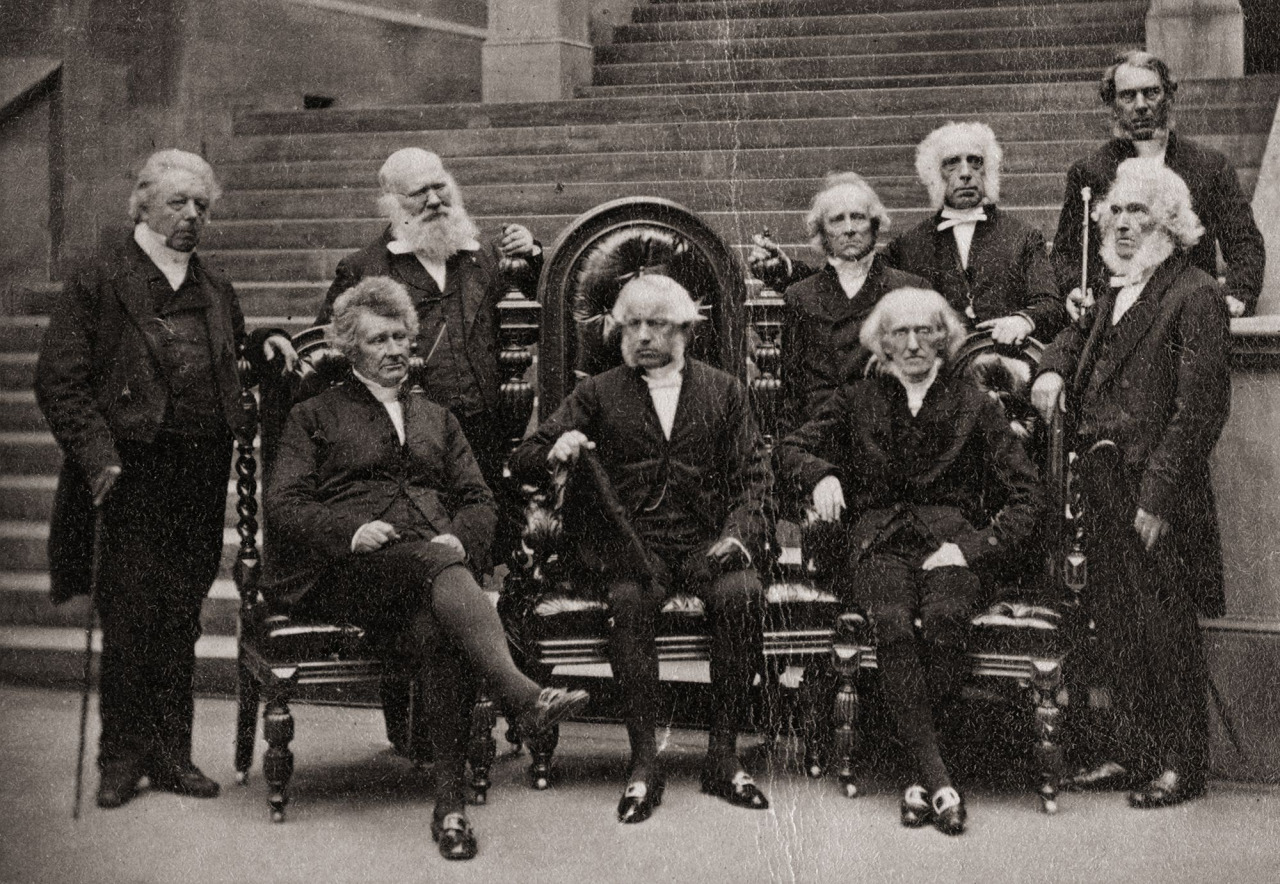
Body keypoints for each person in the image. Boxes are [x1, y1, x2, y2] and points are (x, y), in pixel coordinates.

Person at [264, 276, 587, 859]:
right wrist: (350, 531)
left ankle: (451, 810)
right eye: (378, 340)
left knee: (440, 635)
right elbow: (285, 503)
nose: (394, 350)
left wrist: (460, 538)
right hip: (345, 572)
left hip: (429, 575)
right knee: (435, 565)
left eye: (400, 338)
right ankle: (522, 696)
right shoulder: (313, 415)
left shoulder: (439, 417)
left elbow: (479, 499)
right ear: (349, 348)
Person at [35, 149, 294, 810]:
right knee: (128, 616)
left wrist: (262, 342)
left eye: (201, 205)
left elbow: (230, 353)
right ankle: (121, 757)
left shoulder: (215, 287)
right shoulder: (100, 279)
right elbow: (59, 379)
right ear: (143, 204)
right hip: (129, 474)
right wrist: (97, 455)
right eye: (179, 202)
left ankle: (172, 753)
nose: (191, 216)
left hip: (197, 474)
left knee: (181, 615)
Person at [776, 287, 1042, 835]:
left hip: (950, 545)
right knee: (892, 625)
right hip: (878, 544)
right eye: (901, 332)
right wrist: (822, 475)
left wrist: (971, 548)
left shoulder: (976, 404)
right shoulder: (856, 398)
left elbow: (1028, 495)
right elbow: (789, 448)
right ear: (883, 342)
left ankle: (919, 777)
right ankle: (938, 781)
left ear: (944, 338)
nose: (914, 343)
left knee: (945, 620)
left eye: (926, 331)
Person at [510, 275, 773, 824]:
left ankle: (723, 757)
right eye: (632, 325)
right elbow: (526, 456)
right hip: (631, 547)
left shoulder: (725, 391)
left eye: (656, 324)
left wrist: (736, 536)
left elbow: (754, 476)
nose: (644, 336)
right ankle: (644, 762)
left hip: (705, 542)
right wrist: (558, 447)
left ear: (685, 330)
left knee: (742, 595)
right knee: (629, 603)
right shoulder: (598, 392)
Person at [313, 146, 543, 753]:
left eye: (441, 186)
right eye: (420, 193)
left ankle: (475, 727)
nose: (437, 200)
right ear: (394, 203)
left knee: (473, 571)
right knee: (419, 583)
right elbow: (336, 353)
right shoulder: (364, 267)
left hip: (482, 445)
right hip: (406, 450)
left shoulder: (481, 257)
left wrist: (534, 255)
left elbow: (530, 307)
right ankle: (418, 732)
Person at [1032, 159, 1230, 809]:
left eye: (1136, 211)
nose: (1120, 223)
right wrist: (1052, 371)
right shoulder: (1114, 289)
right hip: (1102, 483)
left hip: (1153, 492)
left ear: (1168, 223)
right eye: (1113, 211)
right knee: (1115, 623)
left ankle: (1181, 764)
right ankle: (1133, 752)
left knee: (1164, 627)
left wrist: (1157, 498)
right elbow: (1072, 340)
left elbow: (1200, 410)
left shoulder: (1193, 292)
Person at [1051, 49, 1264, 320]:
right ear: (1113, 103)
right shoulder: (1090, 172)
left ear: (1168, 96)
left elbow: (1245, 242)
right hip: (1114, 318)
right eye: (1128, 96)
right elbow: (1065, 253)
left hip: (1188, 315)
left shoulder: (1209, 166)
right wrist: (1074, 288)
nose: (1141, 105)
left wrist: (1238, 293)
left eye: (1151, 92)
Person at [750, 173, 926, 432]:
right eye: (837, 220)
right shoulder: (801, 297)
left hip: (887, 437)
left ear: (874, 224)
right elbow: (792, 396)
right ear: (822, 232)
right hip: (820, 437)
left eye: (858, 217)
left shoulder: (909, 289)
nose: (849, 228)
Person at [883, 122, 1066, 345]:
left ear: (988, 170)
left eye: (975, 162)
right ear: (934, 173)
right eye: (952, 163)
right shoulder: (908, 244)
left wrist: (1022, 321)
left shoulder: (1023, 237)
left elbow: (1050, 304)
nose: (965, 173)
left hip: (1005, 356)